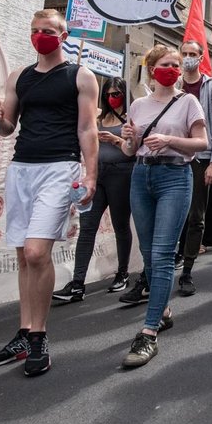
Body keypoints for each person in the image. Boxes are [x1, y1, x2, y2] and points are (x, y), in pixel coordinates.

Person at [0, 9, 99, 377]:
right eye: (35, 30)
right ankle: (23, 331)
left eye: (48, 30)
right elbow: (6, 128)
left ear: (63, 35)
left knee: (36, 252)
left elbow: (87, 130)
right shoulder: (19, 76)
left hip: (59, 168)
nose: (40, 35)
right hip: (21, 169)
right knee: (22, 256)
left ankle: (39, 337)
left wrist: (90, 175)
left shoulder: (81, 75)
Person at [119, 45, 208, 368]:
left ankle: (148, 331)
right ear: (151, 68)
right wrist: (128, 138)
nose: (173, 68)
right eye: (166, 64)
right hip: (141, 177)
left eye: (176, 63)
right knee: (147, 253)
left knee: (161, 253)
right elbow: (130, 150)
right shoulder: (139, 104)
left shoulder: (188, 101)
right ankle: (164, 310)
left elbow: (202, 142)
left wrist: (170, 140)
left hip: (175, 176)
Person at [52, 77, 136, 302]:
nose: (112, 97)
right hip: (96, 174)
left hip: (122, 173)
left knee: (120, 224)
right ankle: (78, 283)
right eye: (109, 93)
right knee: (87, 227)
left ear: (125, 94)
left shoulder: (131, 118)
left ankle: (122, 272)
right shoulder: (98, 118)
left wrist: (116, 139)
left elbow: (136, 149)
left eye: (117, 92)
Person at [174, 39, 212, 296]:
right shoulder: (173, 84)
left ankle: (187, 271)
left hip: (201, 158)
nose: (188, 57)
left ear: (201, 57)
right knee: (173, 214)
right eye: (184, 53)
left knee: (196, 216)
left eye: (193, 54)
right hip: (172, 156)